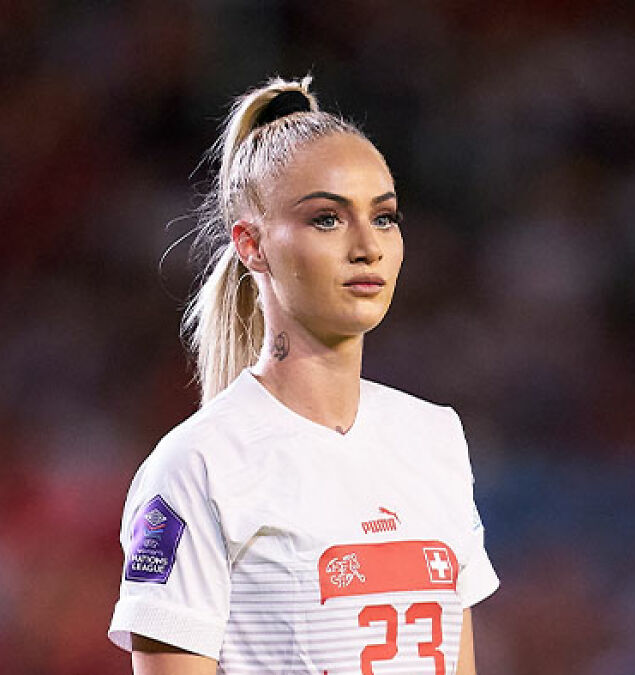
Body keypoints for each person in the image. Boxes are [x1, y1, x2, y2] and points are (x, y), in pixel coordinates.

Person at [107, 76, 499, 675]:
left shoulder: (435, 437)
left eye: (385, 217)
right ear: (252, 245)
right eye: (326, 219)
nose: (367, 246)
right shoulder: (196, 467)